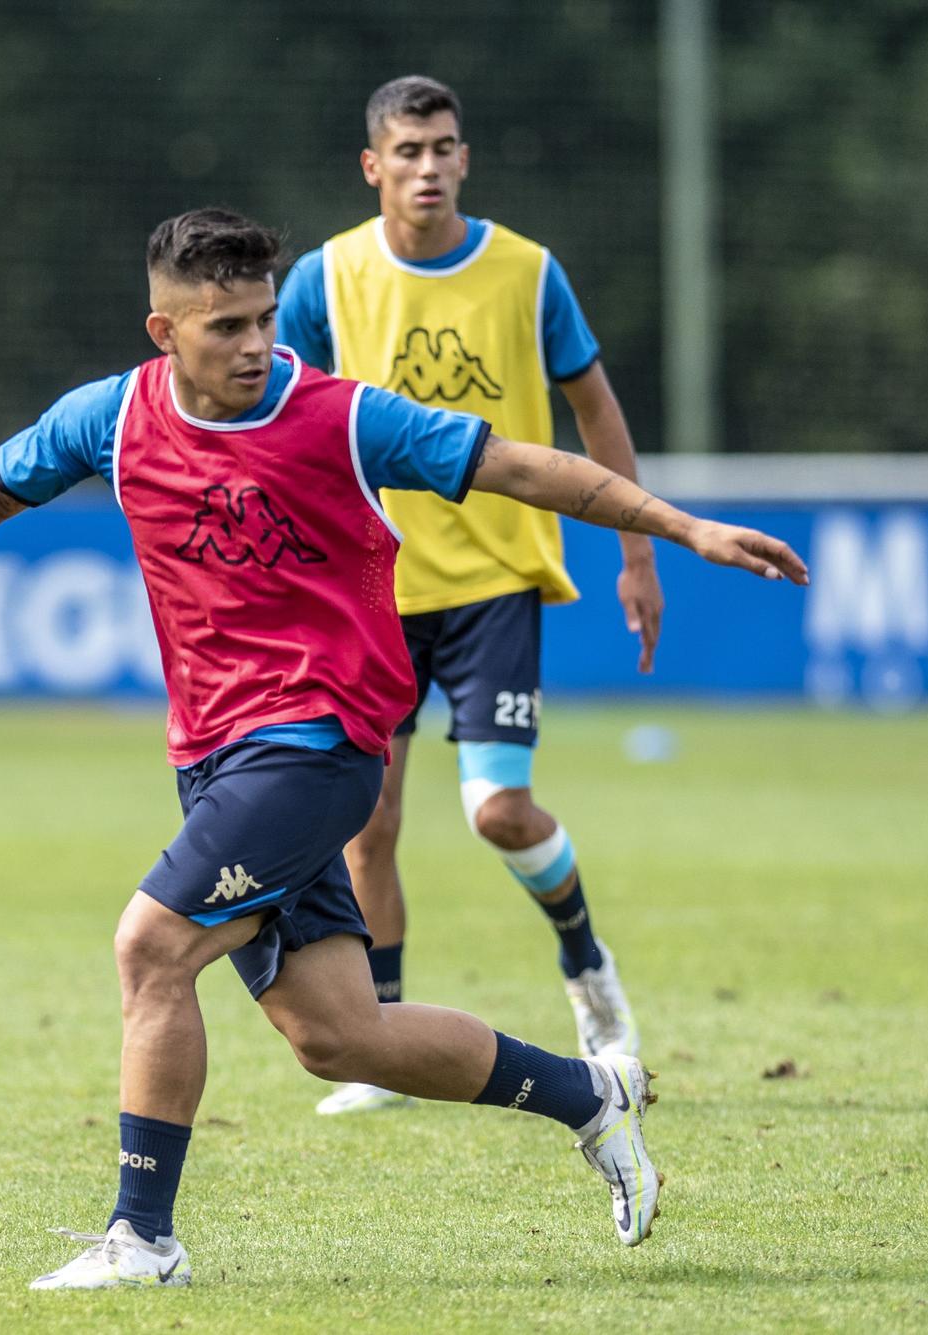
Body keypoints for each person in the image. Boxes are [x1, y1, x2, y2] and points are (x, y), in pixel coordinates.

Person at [0, 208, 806, 1287]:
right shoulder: (109, 420)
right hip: (214, 759)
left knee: (150, 947)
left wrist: (678, 530)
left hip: (316, 745)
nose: (253, 344)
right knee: (338, 1033)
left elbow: (519, 466)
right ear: (161, 332)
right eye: (222, 325)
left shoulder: (340, 417)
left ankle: (143, 1239)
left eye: (263, 319)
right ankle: (588, 1096)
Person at [278, 76, 660, 1115]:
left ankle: (586, 968)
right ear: (372, 167)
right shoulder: (323, 279)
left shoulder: (526, 274)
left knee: (496, 812)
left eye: (443, 147)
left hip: (495, 582)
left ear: (465, 158)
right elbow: (290, 424)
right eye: (405, 151)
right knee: (369, 821)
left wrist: (635, 554)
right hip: (375, 586)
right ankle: (381, 1042)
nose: (427, 167)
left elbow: (593, 407)